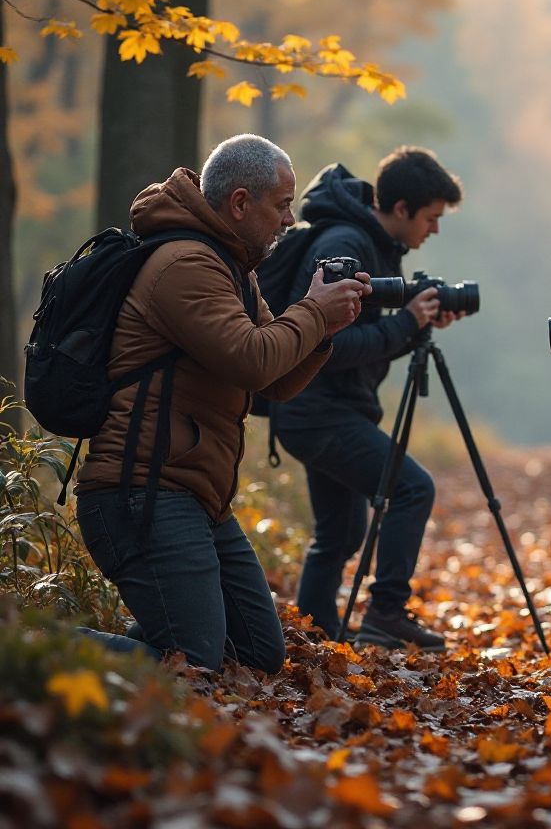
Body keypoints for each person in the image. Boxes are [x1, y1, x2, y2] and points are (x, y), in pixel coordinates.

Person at [74, 134, 369, 673]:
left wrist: (324, 330)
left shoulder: (232, 268)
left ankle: (165, 634)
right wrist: (311, 310)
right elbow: (251, 360)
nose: (288, 220)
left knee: (258, 652)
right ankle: (41, 644)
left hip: (193, 493)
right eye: (281, 206)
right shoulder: (185, 265)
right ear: (239, 203)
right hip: (142, 492)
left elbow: (272, 385)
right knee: (198, 663)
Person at [274, 146, 464, 651]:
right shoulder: (345, 245)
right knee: (412, 488)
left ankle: (316, 637)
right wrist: (406, 322)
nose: (435, 229)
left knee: (340, 533)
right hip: (315, 411)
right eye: (431, 217)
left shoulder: (374, 245)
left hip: (318, 409)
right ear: (401, 209)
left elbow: (360, 342)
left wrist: (414, 327)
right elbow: (324, 345)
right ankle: (385, 612)